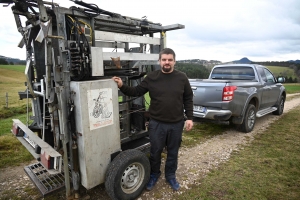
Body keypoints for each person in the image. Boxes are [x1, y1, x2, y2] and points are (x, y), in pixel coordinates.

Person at [112, 48, 193, 191]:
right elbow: (136, 91)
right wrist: (122, 86)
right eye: (164, 60)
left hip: (176, 123)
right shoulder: (151, 77)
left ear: (174, 61)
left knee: (173, 152)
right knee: (155, 151)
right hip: (157, 124)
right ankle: (154, 174)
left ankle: (170, 176)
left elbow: (188, 98)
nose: (167, 62)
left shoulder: (182, 77)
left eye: (169, 60)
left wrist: (190, 118)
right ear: (159, 61)